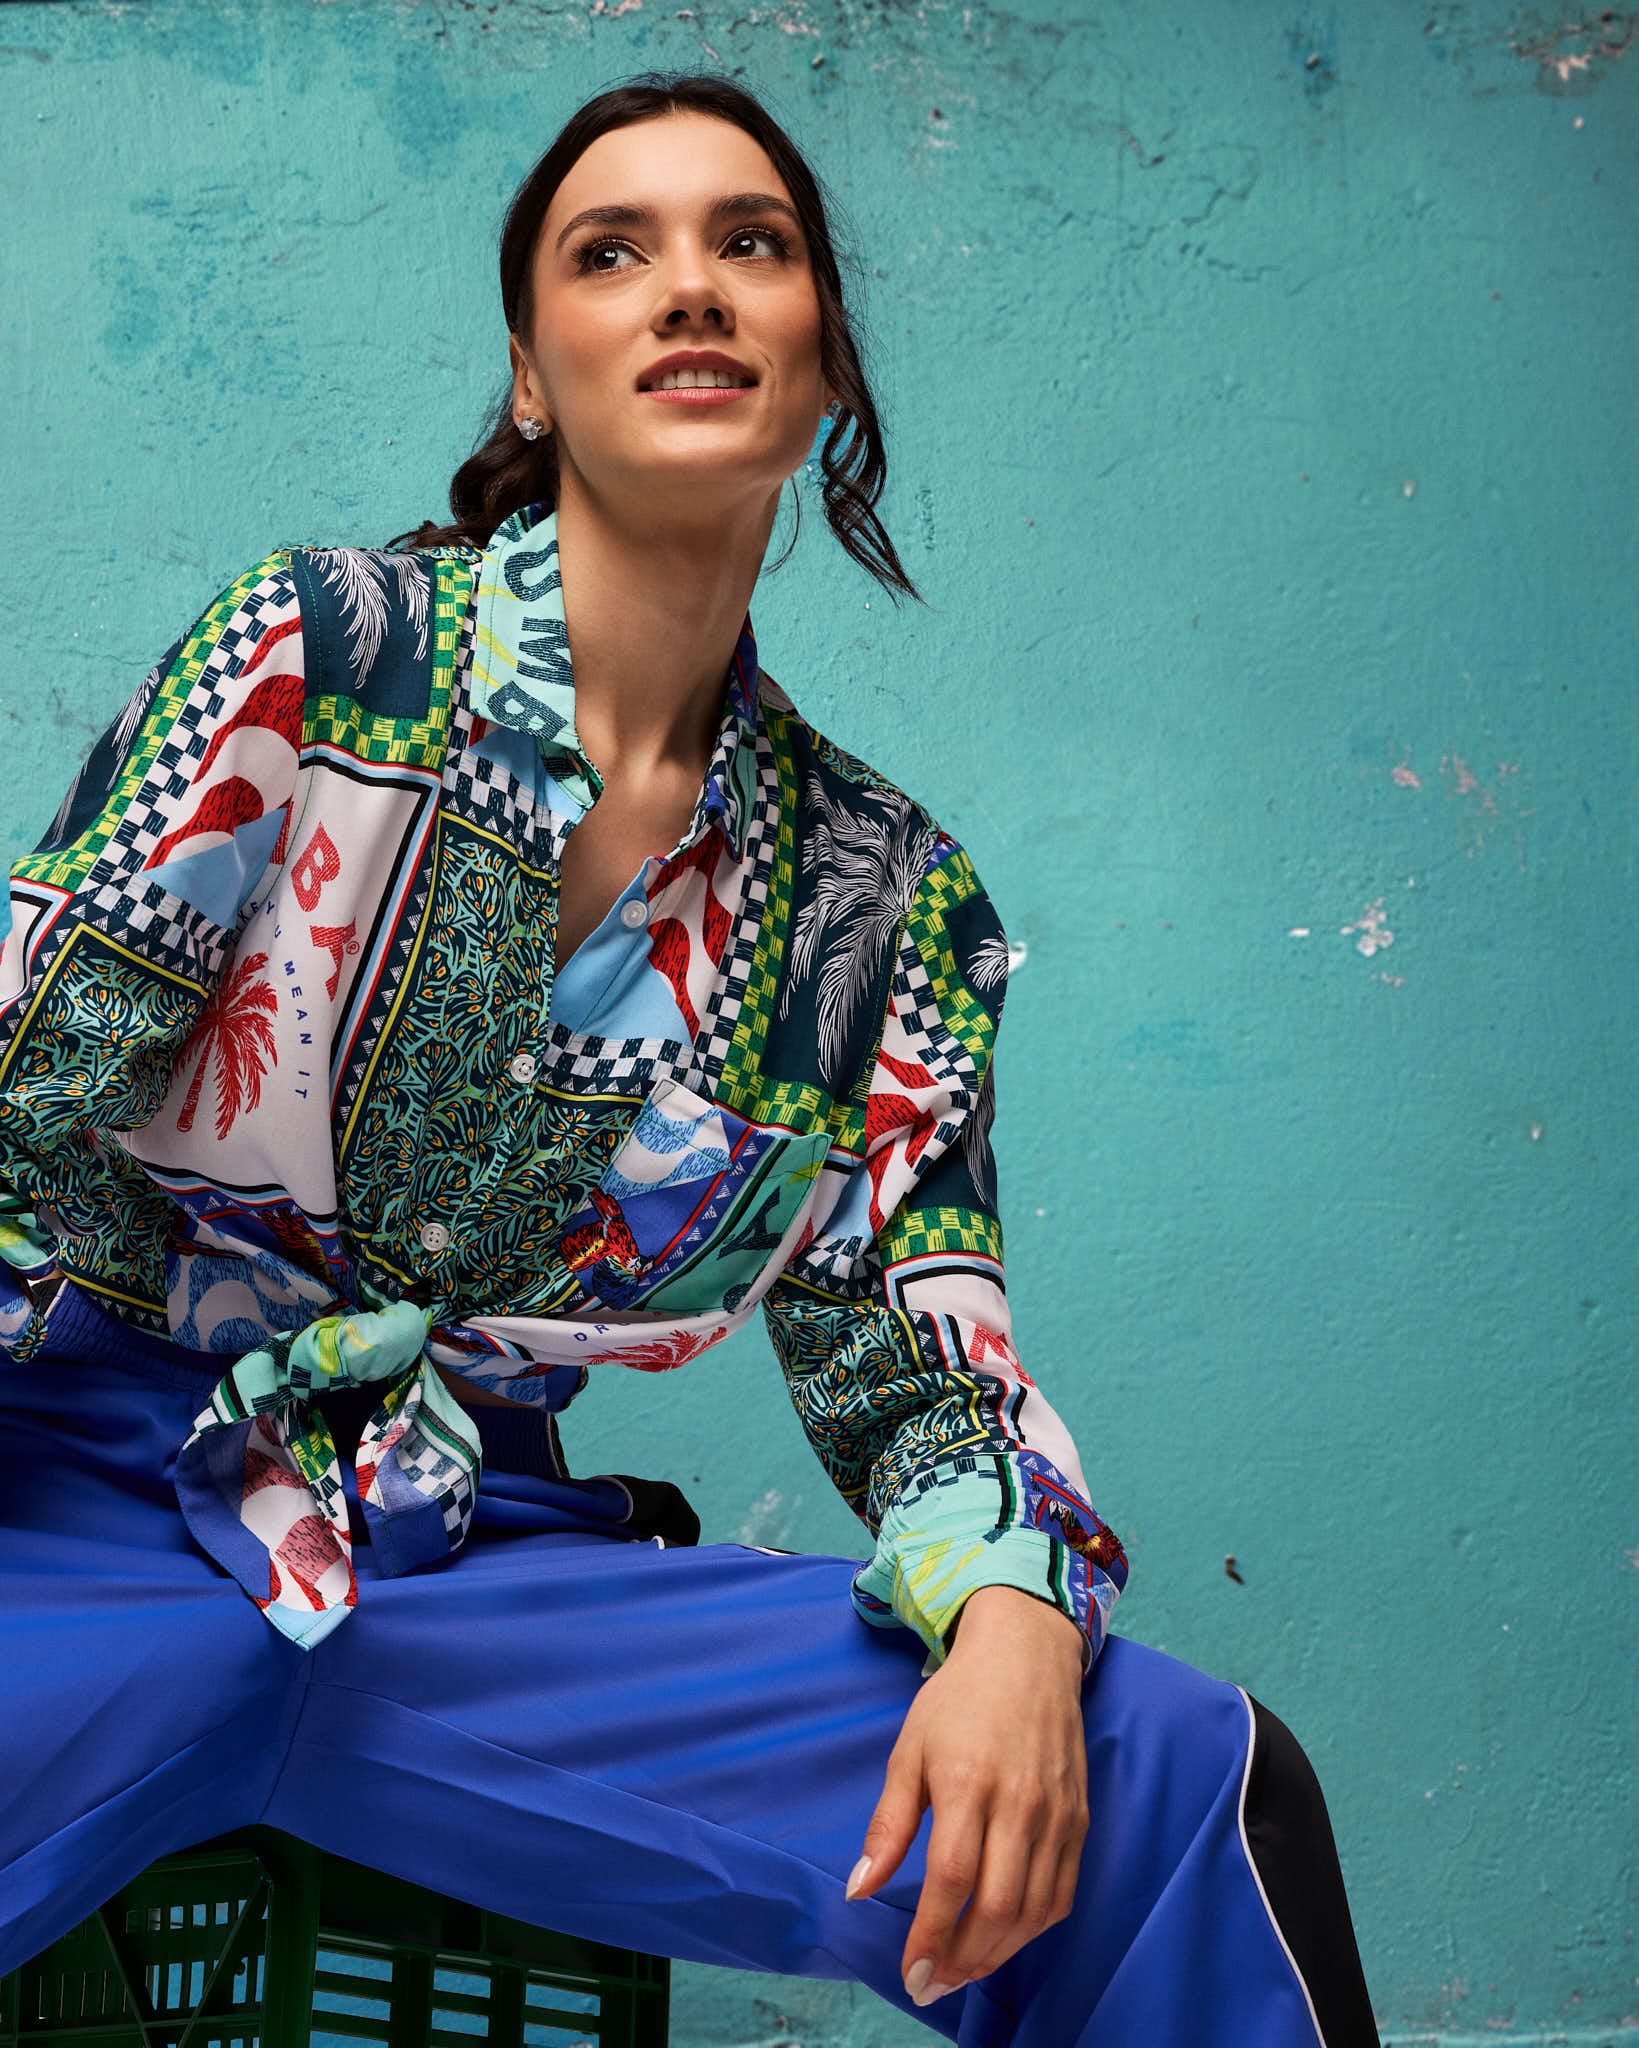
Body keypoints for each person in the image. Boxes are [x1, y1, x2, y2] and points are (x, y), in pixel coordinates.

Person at [0, 71, 1379, 2047]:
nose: (690, 290)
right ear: (532, 380)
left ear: (823, 376)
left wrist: (1004, 1616)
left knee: (1168, 1779)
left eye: (750, 244)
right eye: (612, 251)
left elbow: (919, 1380)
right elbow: (10, 1103)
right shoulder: (316, 658)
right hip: (76, 1492)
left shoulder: (884, 910)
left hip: (462, 1575)